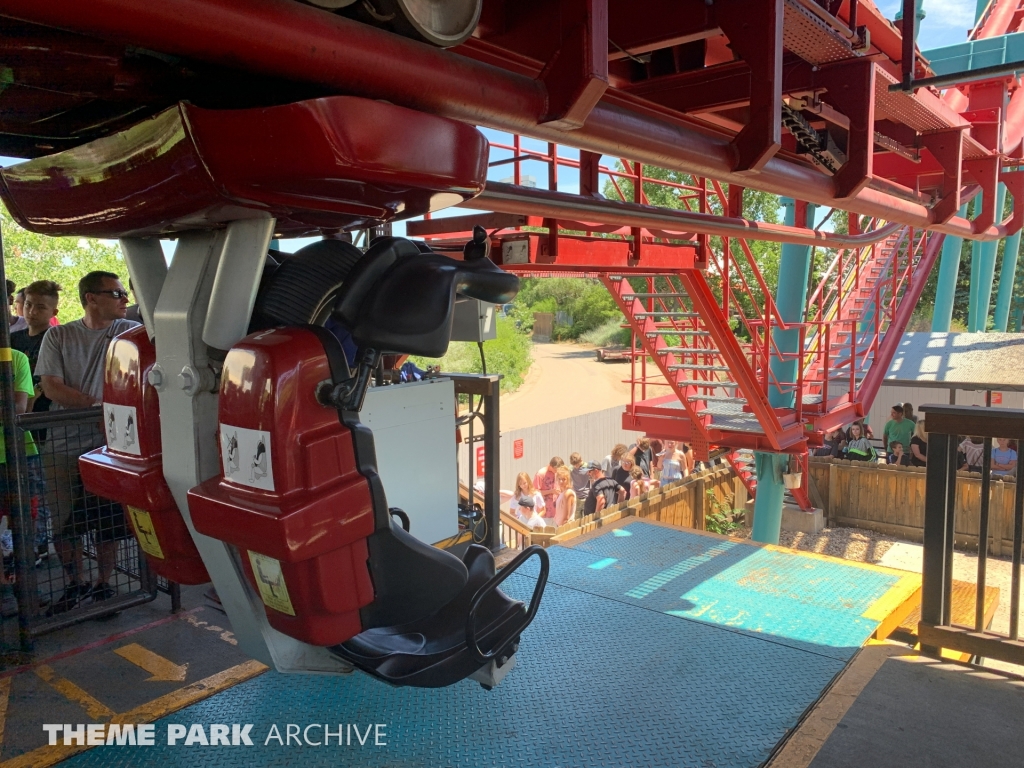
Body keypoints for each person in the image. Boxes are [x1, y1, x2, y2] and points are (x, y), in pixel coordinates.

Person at [36, 271, 141, 612]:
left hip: (110, 446)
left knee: (107, 520)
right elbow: (51, 387)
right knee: (64, 520)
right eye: (116, 293)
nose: (124, 298)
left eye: (124, 292)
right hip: (64, 444)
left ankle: (103, 583)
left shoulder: (128, 333)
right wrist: (96, 406)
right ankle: (75, 582)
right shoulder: (59, 336)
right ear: (91, 298)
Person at [0, 349, 45, 582]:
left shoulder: (15, 358)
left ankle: (27, 587)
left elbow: (18, 408)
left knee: (26, 520)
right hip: (17, 453)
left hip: (20, 453)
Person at [12, 280, 61, 415]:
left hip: (44, 409)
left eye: (41, 307)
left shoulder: (57, 339)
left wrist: (37, 390)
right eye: (28, 305)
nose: (32, 312)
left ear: (54, 312)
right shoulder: (12, 338)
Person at [568, 453, 590, 518]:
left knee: (586, 517)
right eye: (574, 465)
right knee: (577, 517)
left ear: (581, 460)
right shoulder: (571, 469)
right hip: (576, 496)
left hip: (586, 495)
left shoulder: (587, 467)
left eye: (577, 464)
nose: (576, 466)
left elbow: (593, 479)